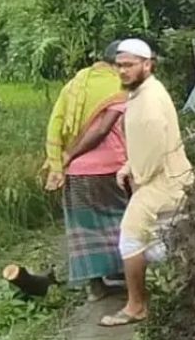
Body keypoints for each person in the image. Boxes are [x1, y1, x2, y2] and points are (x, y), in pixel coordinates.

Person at [100, 38, 193, 327]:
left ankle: (136, 306)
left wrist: (139, 178)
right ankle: (188, 293)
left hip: (160, 181)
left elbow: (154, 145)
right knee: (171, 239)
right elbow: (144, 143)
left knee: (131, 239)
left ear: (147, 64)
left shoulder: (149, 98)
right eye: (119, 65)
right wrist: (129, 166)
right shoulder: (141, 92)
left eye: (129, 65)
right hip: (164, 178)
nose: (123, 71)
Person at [43, 41, 130, 301]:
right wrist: (72, 153)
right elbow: (102, 129)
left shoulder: (75, 84)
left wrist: (62, 159)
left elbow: (56, 122)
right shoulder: (116, 85)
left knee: (85, 226)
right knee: (122, 221)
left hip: (76, 172)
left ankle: (96, 286)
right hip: (109, 168)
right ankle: (127, 275)